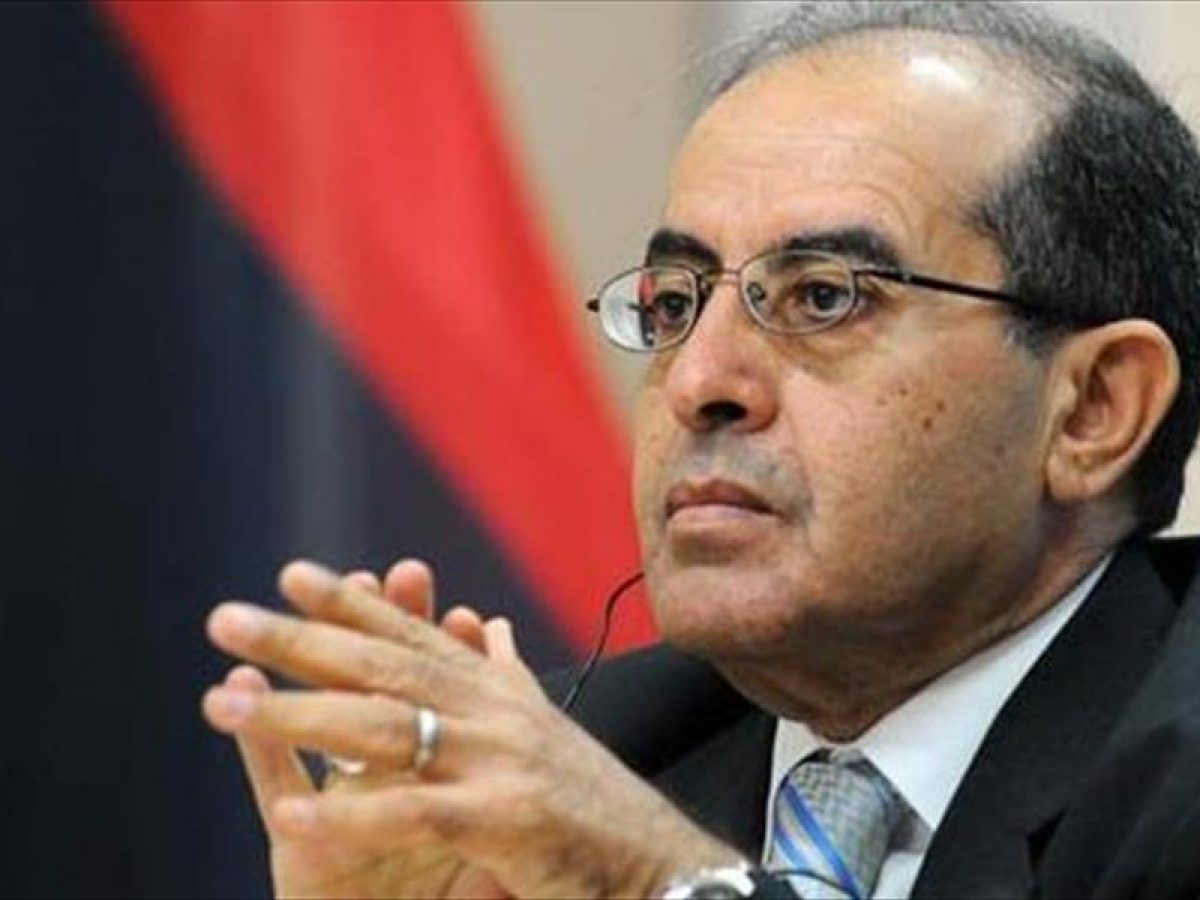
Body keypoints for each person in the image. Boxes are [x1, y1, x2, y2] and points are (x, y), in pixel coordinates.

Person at [201, 2, 1200, 897]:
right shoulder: (601, 754)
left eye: (823, 297)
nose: (696, 381)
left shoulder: (597, 828)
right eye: (675, 305)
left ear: (1094, 409)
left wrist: (662, 884)